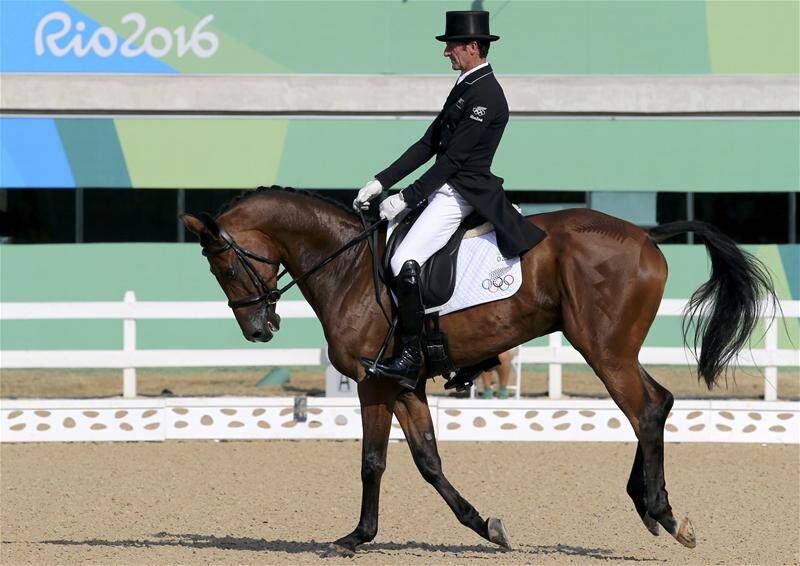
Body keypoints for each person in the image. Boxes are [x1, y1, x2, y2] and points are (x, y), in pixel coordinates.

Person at [354, 11, 546, 391]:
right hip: (445, 186)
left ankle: (410, 356)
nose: (446, 53)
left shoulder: (487, 94)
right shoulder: (464, 86)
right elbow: (428, 143)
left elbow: (454, 159)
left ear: (473, 47)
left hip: (462, 192)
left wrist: (406, 197)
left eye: (452, 46)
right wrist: (381, 181)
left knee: (402, 259)